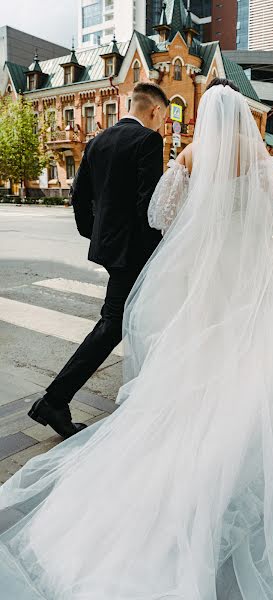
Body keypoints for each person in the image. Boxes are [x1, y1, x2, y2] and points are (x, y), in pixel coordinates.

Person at [0, 79, 273, 600]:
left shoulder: (190, 156)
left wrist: (196, 232)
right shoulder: (260, 157)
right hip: (249, 276)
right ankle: (244, 445)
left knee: (190, 366)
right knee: (253, 362)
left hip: (202, 278)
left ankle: (79, 410)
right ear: (243, 116)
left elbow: (160, 214)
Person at [27, 82, 169, 439]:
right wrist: (160, 253)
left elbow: (79, 196)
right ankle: (54, 400)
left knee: (132, 321)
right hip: (135, 254)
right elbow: (148, 207)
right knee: (113, 326)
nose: (163, 125)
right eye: (164, 117)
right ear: (155, 110)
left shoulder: (97, 142)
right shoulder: (148, 142)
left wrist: (95, 234)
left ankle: (149, 395)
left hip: (109, 248)